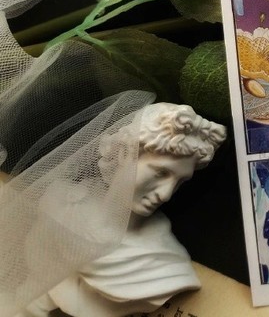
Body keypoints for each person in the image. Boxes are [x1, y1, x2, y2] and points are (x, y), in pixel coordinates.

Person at [21, 103, 226, 317]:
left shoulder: (163, 264)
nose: (165, 194)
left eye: (180, 181)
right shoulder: (60, 203)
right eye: (160, 173)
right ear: (124, 154)